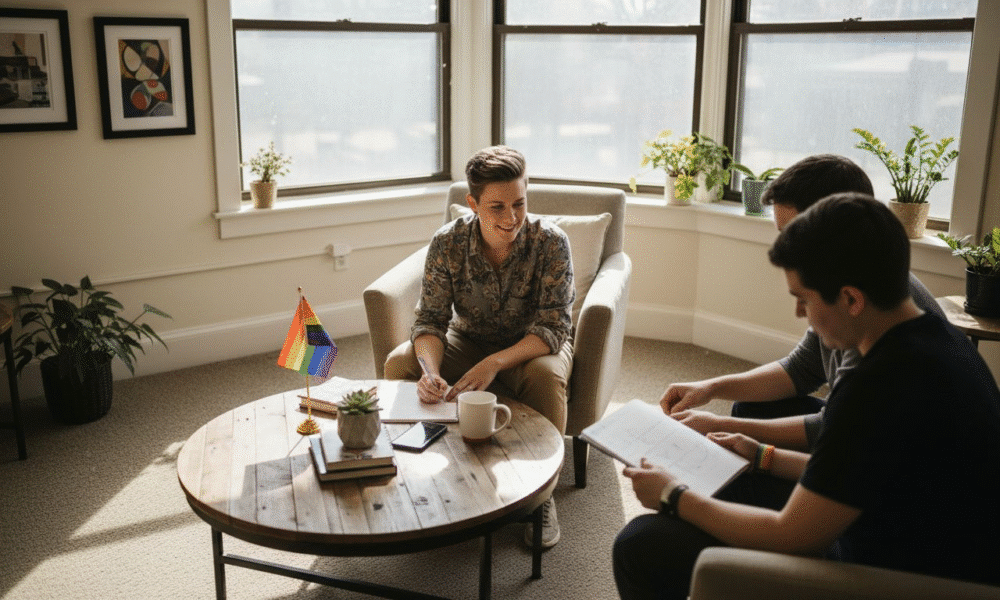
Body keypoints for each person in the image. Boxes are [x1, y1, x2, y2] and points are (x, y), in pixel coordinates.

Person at [613, 193, 1000, 599]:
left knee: (642, 544)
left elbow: (793, 538)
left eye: (804, 299)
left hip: (898, 578)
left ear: (851, 299)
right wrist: (761, 454)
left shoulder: (877, 387)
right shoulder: (938, 340)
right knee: (730, 477)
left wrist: (673, 495)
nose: (801, 315)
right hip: (904, 533)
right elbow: (865, 474)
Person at [661, 154, 943, 453]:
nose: (784, 249)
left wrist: (724, 430)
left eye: (792, 234)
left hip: (887, 464)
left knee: (735, 469)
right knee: (749, 409)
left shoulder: (873, 313)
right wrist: (711, 388)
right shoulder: (848, 280)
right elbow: (801, 369)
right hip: (859, 432)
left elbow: (834, 430)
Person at [384, 145, 574, 548]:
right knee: (400, 363)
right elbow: (429, 322)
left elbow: (553, 326)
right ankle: (409, 467)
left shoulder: (551, 242)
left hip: (533, 346)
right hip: (466, 339)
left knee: (546, 376)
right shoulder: (447, 243)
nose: (511, 218)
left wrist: (495, 363)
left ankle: (542, 496)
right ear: (472, 203)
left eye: (519, 204)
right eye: (497, 207)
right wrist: (430, 371)